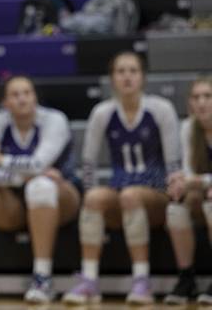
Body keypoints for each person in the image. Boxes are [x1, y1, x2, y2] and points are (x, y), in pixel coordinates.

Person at [63, 51, 181, 305]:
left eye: (133, 71)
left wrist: (175, 202)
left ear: (143, 77)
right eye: (121, 71)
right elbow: (89, 163)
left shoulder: (161, 109)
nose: (127, 77)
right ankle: (90, 280)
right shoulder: (103, 112)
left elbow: (174, 163)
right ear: (112, 78)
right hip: (122, 193)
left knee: (130, 195)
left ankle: (141, 281)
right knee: (94, 197)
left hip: (156, 194)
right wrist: (89, 195)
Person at [0, 75, 79, 304]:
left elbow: (39, 164)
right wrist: (25, 175)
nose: (22, 99)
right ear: (5, 102)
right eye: (15, 94)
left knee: (40, 186)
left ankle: (43, 278)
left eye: (27, 93)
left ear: (35, 97)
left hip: (61, 197)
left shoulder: (54, 120)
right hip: (11, 202)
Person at [164, 76, 212, 305]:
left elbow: (195, 178)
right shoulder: (188, 128)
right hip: (204, 191)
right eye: (196, 97)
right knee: (176, 205)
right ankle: (186, 278)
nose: (201, 102)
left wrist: (193, 180)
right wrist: (179, 181)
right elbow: (187, 171)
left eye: (208, 96)